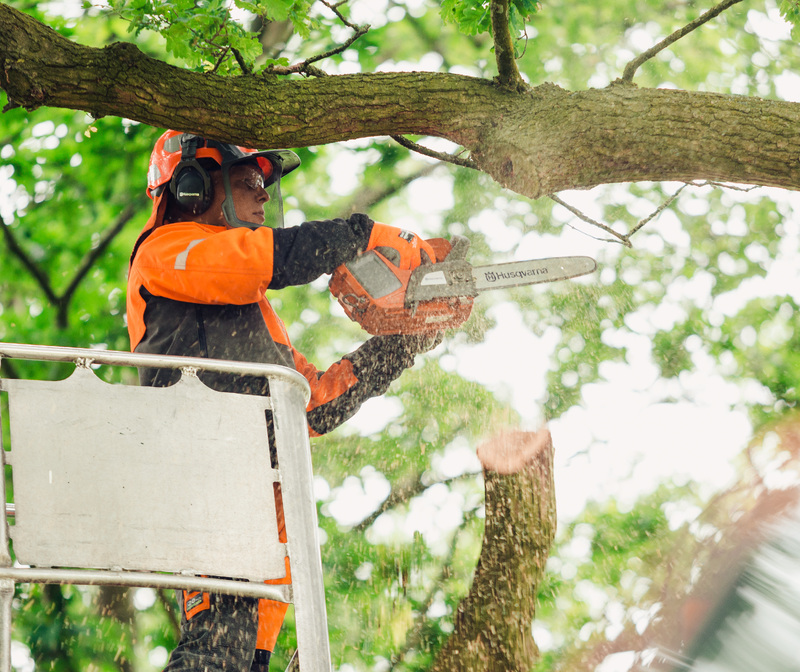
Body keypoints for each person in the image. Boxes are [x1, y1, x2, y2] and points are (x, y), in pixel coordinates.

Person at [126, 130, 441, 671]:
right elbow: (265, 258)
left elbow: (316, 405)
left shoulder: (250, 307)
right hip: (202, 482)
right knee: (217, 648)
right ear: (194, 185)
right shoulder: (165, 252)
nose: (265, 194)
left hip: (260, 512)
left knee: (243, 655)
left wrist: (405, 342)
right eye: (250, 179)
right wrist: (361, 237)